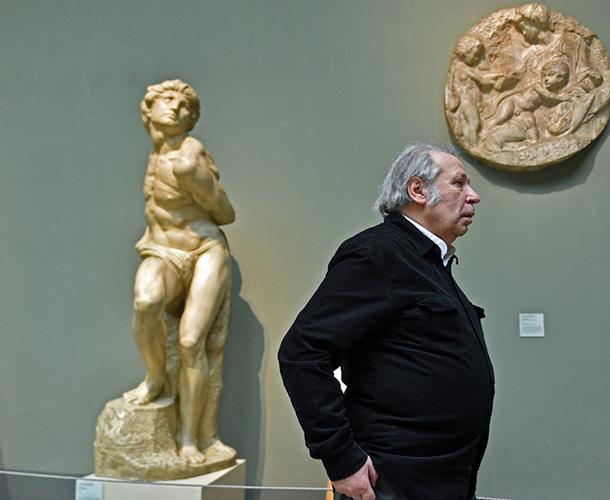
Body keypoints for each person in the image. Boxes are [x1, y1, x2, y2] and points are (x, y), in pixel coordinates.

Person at [278, 143, 495, 500]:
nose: (474, 196)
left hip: (440, 478)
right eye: (459, 183)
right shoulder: (377, 253)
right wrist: (342, 460)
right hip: (391, 479)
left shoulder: (430, 262)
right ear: (418, 190)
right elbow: (303, 352)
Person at [122, 79, 235, 464]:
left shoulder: (190, 156)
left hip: (204, 250)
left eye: (183, 105)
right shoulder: (156, 153)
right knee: (145, 303)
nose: (173, 107)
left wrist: (197, 183)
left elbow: (226, 214)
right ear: (148, 110)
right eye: (166, 100)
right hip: (161, 249)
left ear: (191, 119)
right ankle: (156, 378)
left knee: (190, 342)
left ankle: (190, 437)